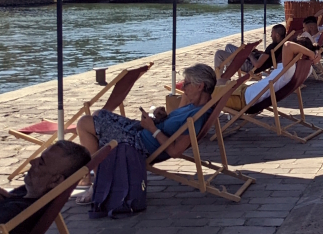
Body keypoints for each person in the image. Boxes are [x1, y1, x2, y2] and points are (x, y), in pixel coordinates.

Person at [73, 63, 218, 202]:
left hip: (139, 144)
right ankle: (101, 178)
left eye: (187, 84)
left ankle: (99, 183)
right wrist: (162, 117)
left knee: (84, 123)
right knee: (99, 114)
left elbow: (175, 151)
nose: (183, 88)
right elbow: (173, 125)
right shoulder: (193, 105)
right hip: (140, 132)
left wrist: (153, 129)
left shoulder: (197, 117)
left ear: (200, 86)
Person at [240, 37, 322, 106]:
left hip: (246, 97)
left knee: (227, 88)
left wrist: (311, 53)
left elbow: (288, 45)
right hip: (251, 92)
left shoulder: (290, 69)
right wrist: (314, 52)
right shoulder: (307, 68)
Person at [212, 24, 287, 83]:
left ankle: (218, 80)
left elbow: (257, 65)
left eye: (272, 33)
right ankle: (227, 77)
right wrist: (256, 52)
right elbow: (266, 56)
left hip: (249, 66)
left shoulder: (272, 47)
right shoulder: (280, 45)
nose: (271, 35)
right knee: (229, 47)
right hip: (250, 59)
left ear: (277, 35)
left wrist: (249, 54)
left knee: (219, 54)